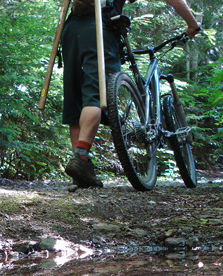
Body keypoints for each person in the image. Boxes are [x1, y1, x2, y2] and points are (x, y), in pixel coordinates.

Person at [62, 0, 201, 188]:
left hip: (70, 29)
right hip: (100, 28)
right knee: (96, 95)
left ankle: (81, 169)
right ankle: (81, 157)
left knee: (76, 100)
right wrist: (192, 24)